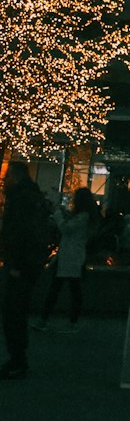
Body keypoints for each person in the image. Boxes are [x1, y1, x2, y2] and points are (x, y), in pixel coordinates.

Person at [0, 163, 51, 381]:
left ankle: (18, 360)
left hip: (21, 265)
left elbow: (20, 233)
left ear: (15, 175)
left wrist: (17, 265)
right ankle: (18, 359)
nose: (4, 179)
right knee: (15, 312)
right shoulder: (30, 197)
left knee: (13, 312)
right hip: (26, 264)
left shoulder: (21, 199)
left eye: (7, 175)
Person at [32, 186, 101, 331]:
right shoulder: (85, 217)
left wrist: (57, 213)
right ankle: (70, 321)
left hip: (69, 257)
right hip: (73, 258)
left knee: (57, 290)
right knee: (72, 290)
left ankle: (45, 319)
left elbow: (65, 228)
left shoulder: (82, 217)